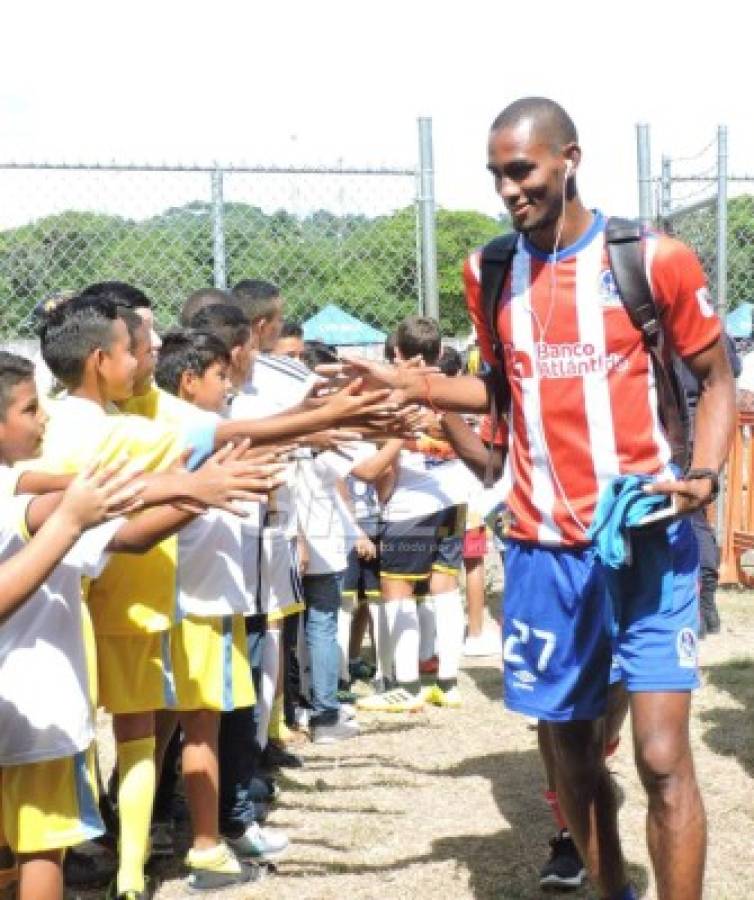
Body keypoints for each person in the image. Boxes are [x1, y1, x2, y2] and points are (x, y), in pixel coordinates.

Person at [333, 97, 735, 900]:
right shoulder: (487, 272)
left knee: (661, 758)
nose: (509, 189)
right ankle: (611, 887)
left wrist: (704, 477)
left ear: (569, 159)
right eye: (497, 176)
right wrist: (412, 386)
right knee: (576, 766)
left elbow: (717, 376)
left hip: (645, 542)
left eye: (522, 170)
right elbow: (496, 390)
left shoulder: (652, 260)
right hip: (542, 554)